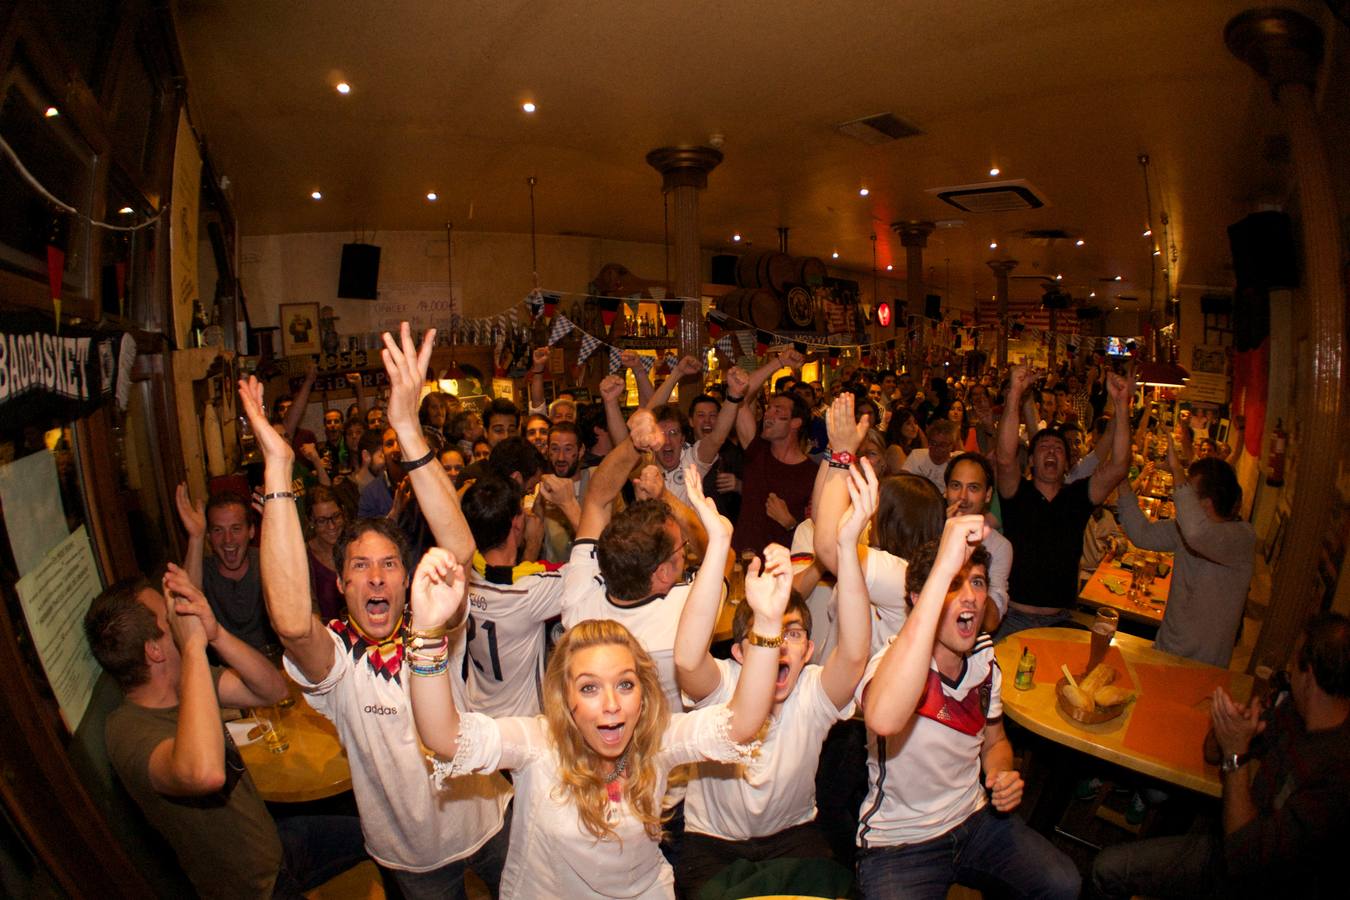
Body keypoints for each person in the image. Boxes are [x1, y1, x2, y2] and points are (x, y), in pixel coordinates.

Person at [239, 329, 512, 899]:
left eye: (390, 563)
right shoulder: (338, 657)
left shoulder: (431, 625)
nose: (377, 576)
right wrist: (278, 467)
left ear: (406, 577)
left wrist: (408, 427)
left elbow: (460, 550)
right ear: (340, 586)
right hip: (412, 855)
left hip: (491, 821)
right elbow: (292, 624)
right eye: (360, 567)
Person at [407, 541, 792, 899]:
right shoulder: (538, 743)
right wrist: (426, 631)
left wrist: (769, 622)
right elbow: (446, 738)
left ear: (643, 693)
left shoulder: (657, 739)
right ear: (564, 696)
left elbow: (741, 723)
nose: (611, 704)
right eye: (589, 688)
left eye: (625, 684)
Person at [86, 566, 364, 898]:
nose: (180, 617)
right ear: (154, 650)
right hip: (253, 890)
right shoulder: (126, 730)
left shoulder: (186, 684)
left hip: (276, 846)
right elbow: (205, 774)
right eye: (169, 618)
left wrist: (215, 633)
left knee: (380, 835)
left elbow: (272, 690)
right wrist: (192, 646)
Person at [672, 461, 877, 896]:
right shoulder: (723, 685)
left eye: (795, 633)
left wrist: (845, 548)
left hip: (794, 838)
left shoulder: (812, 693)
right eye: (768, 634)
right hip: (712, 845)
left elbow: (856, 654)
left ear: (810, 650)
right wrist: (719, 543)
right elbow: (689, 661)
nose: (781, 645)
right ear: (742, 651)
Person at [857, 516, 1080, 900]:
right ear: (919, 600)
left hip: (974, 821)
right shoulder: (894, 663)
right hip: (901, 841)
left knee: (1063, 883)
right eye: (952, 584)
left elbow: (995, 742)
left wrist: (1001, 774)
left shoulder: (984, 658)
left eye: (977, 582)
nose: (970, 597)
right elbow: (883, 716)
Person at [1091, 613, 1350, 899]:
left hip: (1251, 878)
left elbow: (1244, 860)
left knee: (1107, 868)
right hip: (1228, 839)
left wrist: (1236, 755)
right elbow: (1212, 754)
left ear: (1309, 674)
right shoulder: (1294, 713)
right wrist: (1228, 728)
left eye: (1293, 663)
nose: (1288, 671)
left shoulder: (1336, 776)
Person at [994, 364, 1132, 635]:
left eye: (1058, 449)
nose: (1051, 452)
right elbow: (1004, 457)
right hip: (1012, 617)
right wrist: (1015, 395)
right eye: (1043, 447)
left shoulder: (1078, 496)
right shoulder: (1016, 493)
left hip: (1061, 621)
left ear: (1068, 462)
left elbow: (1118, 466)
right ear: (1031, 460)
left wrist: (1122, 404)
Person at [1116, 440, 1255, 667]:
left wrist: (1178, 471)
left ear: (1207, 503)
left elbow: (1197, 534)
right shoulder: (1186, 529)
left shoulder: (1241, 538)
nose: (1181, 496)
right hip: (1165, 649)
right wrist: (1120, 478)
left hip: (1203, 666)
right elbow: (1142, 534)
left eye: (1188, 491)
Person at [458, 472, 564, 717]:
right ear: (517, 523)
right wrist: (567, 504)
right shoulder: (531, 590)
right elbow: (593, 564)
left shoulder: (462, 572)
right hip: (522, 728)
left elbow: (510, 578)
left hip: (477, 715)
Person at [731, 348, 816, 553]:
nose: (768, 414)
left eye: (778, 411)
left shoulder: (813, 474)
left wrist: (789, 523)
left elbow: (819, 541)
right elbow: (740, 393)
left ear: (795, 422)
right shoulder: (757, 449)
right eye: (769, 408)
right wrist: (779, 362)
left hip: (786, 573)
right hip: (743, 564)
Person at [176, 485, 276, 653]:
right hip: (223, 670)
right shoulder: (201, 570)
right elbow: (187, 615)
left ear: (251, 531)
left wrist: (276, 527)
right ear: (208, 536)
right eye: (218, 530)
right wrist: (196, 537)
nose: (227, 539)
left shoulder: (266, 560)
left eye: (236, 529)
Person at [943, 452, 1012, 631]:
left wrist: (965, 549)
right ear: (945, 489)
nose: (962, 497)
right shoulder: (927, 531)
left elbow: (991, 622)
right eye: (956, 485)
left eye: (973, 488)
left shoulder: (999, 547)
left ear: (988, 495)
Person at [305, 484, 347, 622]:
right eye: (322, 521)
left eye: (336, 516)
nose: (332, 526)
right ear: (311, 522)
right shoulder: (304, 558)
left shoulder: (356, 547)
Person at [901, 419, 958, 493]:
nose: (937, 447)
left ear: (951, 446)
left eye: (943, 444)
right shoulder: (916, 455)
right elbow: (901, 482)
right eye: (933, 443)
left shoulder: (958, 462)